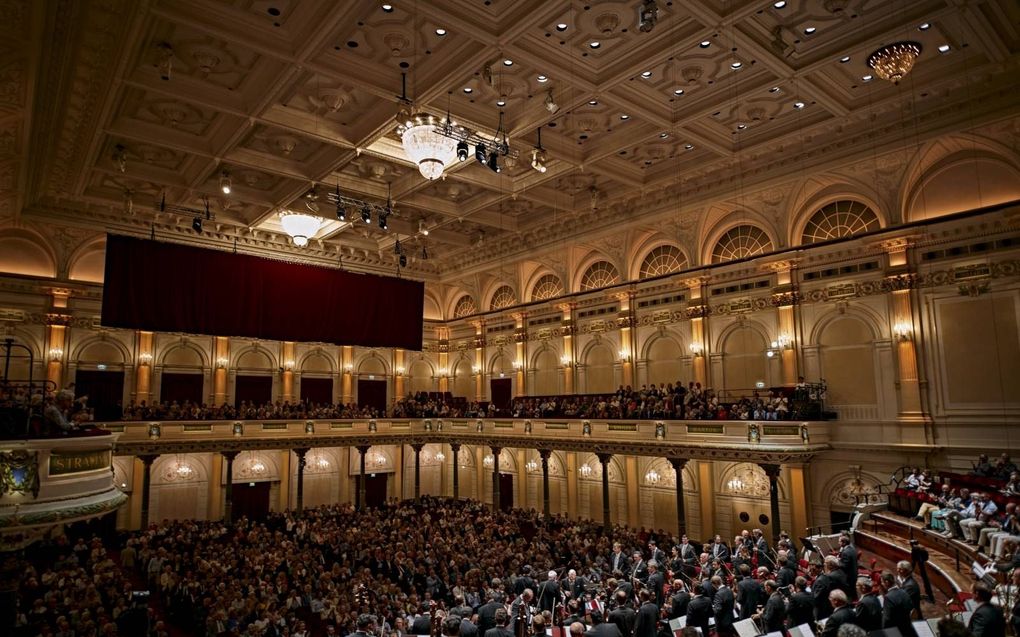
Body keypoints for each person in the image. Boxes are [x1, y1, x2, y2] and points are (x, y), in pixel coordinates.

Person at [880, 571, 916, 637]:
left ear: (887, 582)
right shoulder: (903, 591)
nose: (882, 584)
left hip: (896, 631)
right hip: (907, 628)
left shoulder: (888, 597)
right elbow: (911, 608)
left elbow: (887, 620)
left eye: (882, 582)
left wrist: (883, 632)